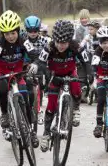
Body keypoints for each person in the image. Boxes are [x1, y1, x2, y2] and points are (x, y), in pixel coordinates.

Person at [0, 10, 39, 141]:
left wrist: (35, 64)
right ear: (2, 34)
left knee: (26, 96)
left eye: (13, 33)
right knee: (1, 88)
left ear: (18, 31)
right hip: (2, 73)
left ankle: (31, 130)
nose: (11, 37)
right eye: (7, 34)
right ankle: (5, 114)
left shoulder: (23, 41)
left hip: (18, 73)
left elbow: (35, 55)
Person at [36, 20, 90, 152]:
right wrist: (46, 74)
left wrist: (89, 74)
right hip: (55, 76)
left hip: (70, 73)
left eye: (64, 43)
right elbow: (41, 62)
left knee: (76, 89)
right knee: (51, 106)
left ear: (69, 41)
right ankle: (46, 133)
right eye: (58, 42)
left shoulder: (75, 46)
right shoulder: (49, 47)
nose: (60, 46)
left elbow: (86, 61)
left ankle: (76, 108)